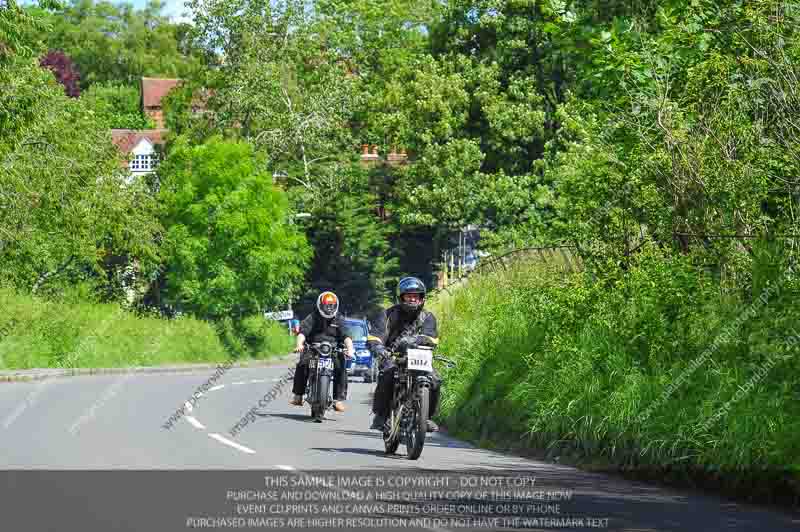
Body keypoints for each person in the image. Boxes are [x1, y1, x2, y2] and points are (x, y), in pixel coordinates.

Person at [368, 277, 442, 432]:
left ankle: (426, 417)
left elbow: (431, 338)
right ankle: (381, 415)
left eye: (416, 296)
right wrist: (379, 349)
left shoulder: (427, 317)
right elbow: (376, 336)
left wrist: (415, 340)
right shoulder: (388, 314)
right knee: (388, 374)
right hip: (393, 356)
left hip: (418, 357)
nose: (412, 299)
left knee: (435, 379)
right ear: (401, 297)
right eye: (408, 296)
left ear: (422, 298)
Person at [290, 291, 354, 412]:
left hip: (333, 349)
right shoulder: (313, 317)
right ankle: (298, 395)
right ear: (321, 305)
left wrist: (350, 350)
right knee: (302, 364)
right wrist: (299, 345)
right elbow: (302, 332)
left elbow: (347, 336)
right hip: (313, 348)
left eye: (331, 306)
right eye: (326, 306)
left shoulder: (339, 318)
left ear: (336, 306)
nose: (329, 308)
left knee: (341, 368)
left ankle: (338, 400)